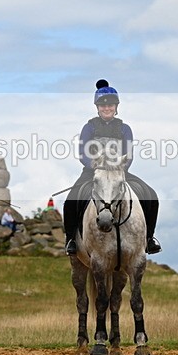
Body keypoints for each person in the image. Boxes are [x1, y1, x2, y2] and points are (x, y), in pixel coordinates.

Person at [63, 79, 162, 256]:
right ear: (97, 108)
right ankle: (71, 239)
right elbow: (82, 153)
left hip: (119, 172)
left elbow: (128, 154)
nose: (106, 108)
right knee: (71, 200)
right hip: (93, 172)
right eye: (103, 106)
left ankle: (149, 239)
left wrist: (120, 169)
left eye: (110, 105)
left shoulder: (124, 128)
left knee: (151, 195)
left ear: (116, 107)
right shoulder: (89, 127)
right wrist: (93, 166)